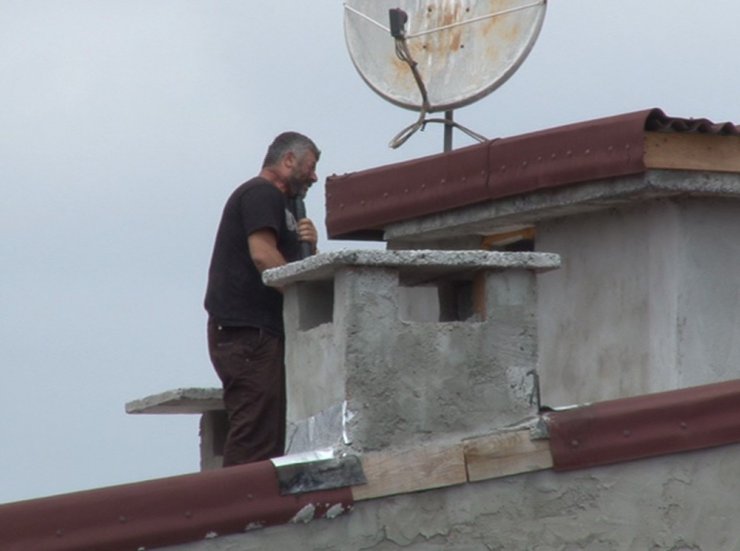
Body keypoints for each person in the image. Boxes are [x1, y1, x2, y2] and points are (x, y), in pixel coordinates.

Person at [204, 132, 320, 466]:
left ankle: (247, 506)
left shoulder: (283, 207)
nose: (314, 176)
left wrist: (308, 247)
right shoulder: (260, 193)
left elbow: (286, 262)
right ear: (288, 160)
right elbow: (263, 255)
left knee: (267, 429)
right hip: (247, 333)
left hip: (257, 333)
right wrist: (302, 298)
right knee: (255, 430)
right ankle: (236, 509)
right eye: (310, 167)